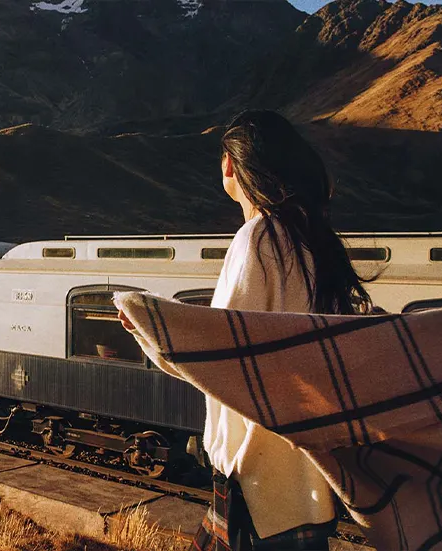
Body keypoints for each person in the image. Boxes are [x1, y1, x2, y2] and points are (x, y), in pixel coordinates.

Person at [120, 109, 373, 550]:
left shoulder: (258, 237)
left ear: (230, 166)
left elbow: (221, 360)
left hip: (257, 483)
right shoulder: (316, 241)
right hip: (309, 479)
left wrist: (149, 332)